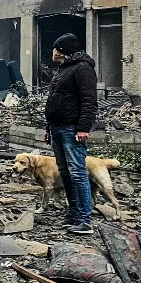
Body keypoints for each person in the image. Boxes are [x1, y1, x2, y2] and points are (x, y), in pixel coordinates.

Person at [44, 33, 98, 234]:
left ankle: (84, 218)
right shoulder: (63, 70)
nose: (53, 52)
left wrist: (84, 127)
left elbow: (89, 100)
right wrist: (49, 127)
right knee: (65, 173)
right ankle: (73, 214)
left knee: (77, 172)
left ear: (64, 52)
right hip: (57, 127)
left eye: (55, 49)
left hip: (72, 129)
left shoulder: (83, 69)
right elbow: (53, 101)